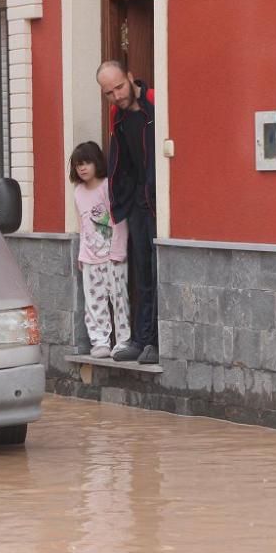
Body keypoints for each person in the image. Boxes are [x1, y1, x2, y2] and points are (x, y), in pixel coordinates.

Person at [96, 60, 158, 364]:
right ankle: (139, 339)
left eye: (119, 87)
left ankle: (154, 342)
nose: (117, 96)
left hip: (158, 203)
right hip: (136, 203)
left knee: (158, 272)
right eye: (109, 92)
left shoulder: (155, 105)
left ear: (131, 78)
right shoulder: (117, 116)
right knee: (141, 272)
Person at [70, 141, 131, 359]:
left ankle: (123, 341)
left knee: (119, 299)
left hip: (113, 255)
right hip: (89, 257)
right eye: (78, 165)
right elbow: (81, 224)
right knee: (94, 302)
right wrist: (81, 254)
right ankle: (99, 341)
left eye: (86, 163)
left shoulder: (107, 186)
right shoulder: (77, 191)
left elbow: (119, 220)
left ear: (97, 162)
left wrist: (118, 251)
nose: (83, 168)